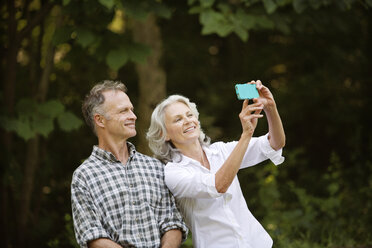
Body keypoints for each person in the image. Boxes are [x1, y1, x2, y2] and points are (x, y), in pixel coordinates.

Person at [146, 80, 285, 248]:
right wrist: (246, 134)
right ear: (164, 134)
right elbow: (218, 186)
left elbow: (275, 143)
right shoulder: (173, 172)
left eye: (189, 115)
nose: (188, 121)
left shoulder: (221, 151)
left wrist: (270, 108)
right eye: (177, 119)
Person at [71, 80, 188, 248]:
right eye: (123, 111)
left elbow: (173, 222)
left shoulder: (155, 167)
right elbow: (92, 236)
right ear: (100, 120)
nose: (133, 116)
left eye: (131, 110)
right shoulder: (84, 176)